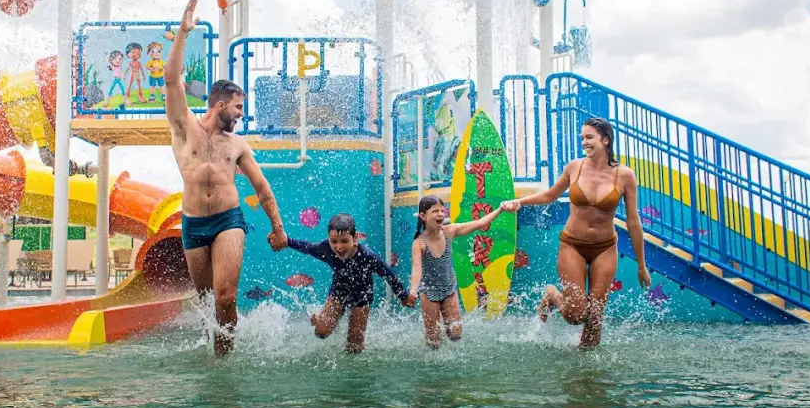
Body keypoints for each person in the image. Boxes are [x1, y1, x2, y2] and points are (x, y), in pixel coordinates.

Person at [166, 0, 288, 355]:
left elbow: (261, 187)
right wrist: (183, 34)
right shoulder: (184, 127)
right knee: (206, 300)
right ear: (220, 104)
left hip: (227, 220)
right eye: (238, 107)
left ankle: (226, 356)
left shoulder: (237, 144)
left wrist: (277, 226)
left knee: (225, 294)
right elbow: (173, 81)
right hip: (192, 223)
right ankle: (217, 346)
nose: (240, 114)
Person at [500, 117, 650, 349]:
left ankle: (586, 370)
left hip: (605, 247)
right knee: (575, 314)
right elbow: (550, 195)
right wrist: (519, 202)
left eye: (589, 137)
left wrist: (641, 265)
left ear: (606, 140)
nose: (584, 142)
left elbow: (633, 221)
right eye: (582, 138)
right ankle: (552, 294)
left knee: (595, 316)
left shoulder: (625, 175)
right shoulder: (575, 167)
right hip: (572, 245)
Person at [276, 213, 416, 354]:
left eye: (344, 241)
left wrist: (403, 296)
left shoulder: (367, 257)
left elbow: (388, 274)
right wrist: (287, 241)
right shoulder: (326, 249)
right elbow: (307, 247)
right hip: (339, 291)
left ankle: (333, 318)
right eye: (334, 241)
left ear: (355, 238)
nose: (339, 247)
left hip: (362, 296)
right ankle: (327, 317)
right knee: (321, 333)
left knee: (354, 347)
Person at [408, 195, 505, 349]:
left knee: (456, 334)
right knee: (433, 342)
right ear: (423, 216)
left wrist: (500, 209)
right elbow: (416, 269)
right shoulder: (419, 243)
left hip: (448, 289)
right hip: (429, 293)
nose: (440, 214)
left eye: (442, 210)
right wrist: (413, 292)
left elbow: (480, 223)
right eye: (435, 211)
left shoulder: (449, 231)